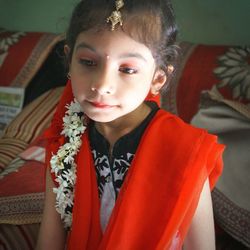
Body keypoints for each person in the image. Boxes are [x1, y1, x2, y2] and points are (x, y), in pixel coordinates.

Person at [36, 0, 225, 249]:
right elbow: (51, 239)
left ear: (157, 78)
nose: (102, 85)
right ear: (69, 60)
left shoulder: (184, 149)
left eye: (127, 69)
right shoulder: (65, 141)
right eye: (88, 62)